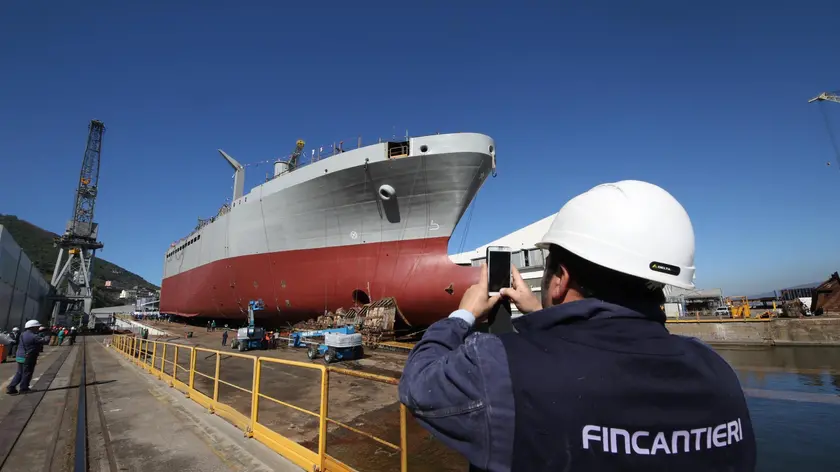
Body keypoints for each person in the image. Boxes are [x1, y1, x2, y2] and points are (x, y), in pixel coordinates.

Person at [399, 181, 756, 472]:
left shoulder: (502, 369)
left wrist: (462, 315)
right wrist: (541, 313)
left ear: (560, 279)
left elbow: (418, 384)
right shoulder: (718, 373)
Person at [7, 320, 49, 395]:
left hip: (20, 356)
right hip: (28, 357)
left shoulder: (23, 334)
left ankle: (11, 387)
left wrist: (39, 331)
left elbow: (33, 336)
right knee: (27, 373)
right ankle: (24, 388)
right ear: (33, 327)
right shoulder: (33, 336)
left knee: (19, 373)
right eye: (37, 327)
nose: (38, 328)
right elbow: (46, 341)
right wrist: (47, 333)